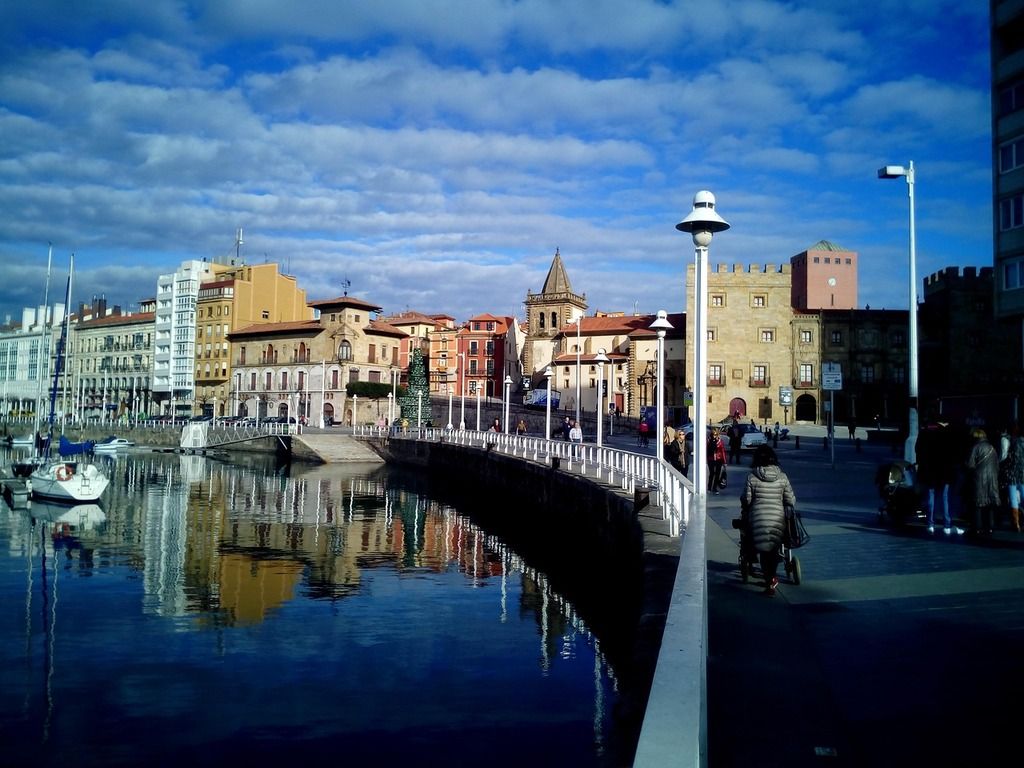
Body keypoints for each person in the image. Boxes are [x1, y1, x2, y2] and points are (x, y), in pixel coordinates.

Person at [741, 445, 796, 597]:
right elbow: (790, 499)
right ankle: (771, 578)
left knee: (762, 549)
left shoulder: (752, 477)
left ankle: (768, 578)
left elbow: (747, 499)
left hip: (758, 519)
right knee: (773, 549)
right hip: (778, 520)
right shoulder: (783, 477)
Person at [915, 418, 963, 535]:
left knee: (931, 497)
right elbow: (955, 454)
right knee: (945, 497)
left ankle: (930, 524)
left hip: (930, 472)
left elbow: (918, 450)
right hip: (945, 472)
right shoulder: (950, 435)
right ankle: (947, 525)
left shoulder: (926, 433)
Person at [965, 428, 999, 536]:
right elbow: (997, 465)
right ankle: (990, 527)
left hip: (979, 479)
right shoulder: (992, 447)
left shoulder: (975, 447)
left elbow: (969, 464)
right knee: (990, 504)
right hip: (992, 479)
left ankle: (977, 528)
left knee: (978, 504)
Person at [1002, 421, 1024, 532]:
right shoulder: (1022, 441)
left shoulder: (1009, 440)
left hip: (1011, 473)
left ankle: (1016, 524)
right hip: (1022, 473)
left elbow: (1005, 457)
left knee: (1013, 498)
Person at [707, 426, 727, 493]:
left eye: (715, 434)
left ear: (718, 434)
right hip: (711, 459)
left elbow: (723, 451)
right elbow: (706, 450)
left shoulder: (720, 441)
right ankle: (709, 487)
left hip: (719, 459)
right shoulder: (708, 440)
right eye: (713, 434)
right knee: (712, 473)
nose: (714, 436)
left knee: (717, 474)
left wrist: (724, 462)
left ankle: (715, 488)